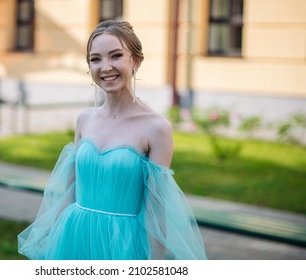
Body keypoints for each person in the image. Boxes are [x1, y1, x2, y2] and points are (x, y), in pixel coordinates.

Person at [18, 20, 207, 260]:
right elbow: (69, 191)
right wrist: (54, 243)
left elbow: (156, 211)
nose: (105, 67)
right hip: (73, 236)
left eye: (115, 56)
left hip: (123, 245)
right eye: (95, 59)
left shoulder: (156, 128)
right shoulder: (84, 120)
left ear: (135, 61)